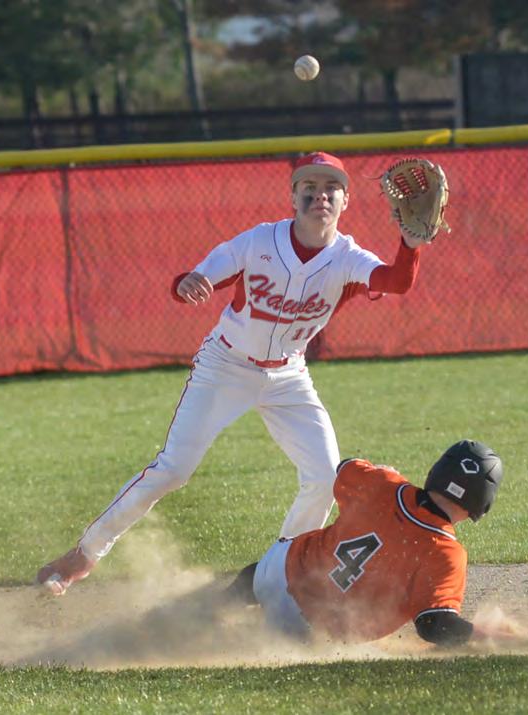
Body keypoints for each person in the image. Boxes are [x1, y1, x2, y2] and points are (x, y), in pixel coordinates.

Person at [37, 151, 430, 596]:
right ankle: (83, 555)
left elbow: (396, 281)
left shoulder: (347, 258)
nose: (320, 195)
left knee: (325, 478)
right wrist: (187, 283)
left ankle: (283, 573)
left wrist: (410, 245)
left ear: (346, 201)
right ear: (293, 197)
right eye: (309, 187)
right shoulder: (259, 241)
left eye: (331, 188)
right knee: (173, 469)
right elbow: (196, 278)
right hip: (225, 365)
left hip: (288, 376)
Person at [226, 440, 517, 646]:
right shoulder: (446, 554)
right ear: (482, 502)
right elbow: (435, 626)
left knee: (278, 563)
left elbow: (345, 467)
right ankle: (243, 637)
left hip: (273, 573)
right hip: (310, 632)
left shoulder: (385, 485)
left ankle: (217, 604)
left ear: (437, 472)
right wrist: (490, 636)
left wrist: (381, 473)